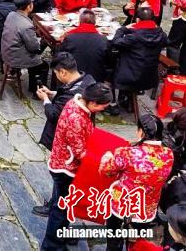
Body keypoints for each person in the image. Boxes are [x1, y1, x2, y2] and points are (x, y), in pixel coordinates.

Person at [41, 82, 112, 250]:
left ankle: (60, 237)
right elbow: (80, 153)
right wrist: (103, 160)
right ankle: (52, 246)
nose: (102, 110)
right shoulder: (77, 119)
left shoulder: (76, 102)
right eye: (102, 106)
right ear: (93, 102)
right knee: (61, 209)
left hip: (62, 160)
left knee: (63, 206)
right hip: (65, 168)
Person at [32, 52, 96, 218]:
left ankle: (55, 205)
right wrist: (53, 93)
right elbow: (67, 97)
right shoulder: (87, 80)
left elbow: (54, 114)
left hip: (67, 142)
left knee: (61, 173)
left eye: (56, 73)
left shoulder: (71, 94)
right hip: (81, 134)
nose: (56, 76)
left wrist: (45, 99)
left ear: (63, 72)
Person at [99, 114, 174, 251]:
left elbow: (105, 171)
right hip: (146, 210)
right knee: (136, 244)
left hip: (122, 207)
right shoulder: (168, 154)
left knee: (114, 242)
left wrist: (108, 157)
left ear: (141, 132)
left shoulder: (127, 153)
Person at [112, 7, 168, 114]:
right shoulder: (162, 35)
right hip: (149, 75)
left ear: (138, 19)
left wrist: (122, 29)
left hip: (130, 75)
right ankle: (127, 98)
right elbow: (165, 43)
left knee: (115, 59)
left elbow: (116, 42)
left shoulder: (133, 37)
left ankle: (118, 99)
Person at [0, 0, 48, 95]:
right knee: (43, 65)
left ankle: (32, 86)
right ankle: (37, 92)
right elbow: (33, 47)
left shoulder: (11, 15)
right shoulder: (26, 25)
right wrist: (42, 41)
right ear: (29, 6)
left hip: (7, 52)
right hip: (16, 57)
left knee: (37, 55)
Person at [58, 10, 108, 83]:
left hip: (73, 77)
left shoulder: (70, 37)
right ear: (94, 22)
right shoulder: (103, 39)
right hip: (96, 78)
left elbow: (59, 55)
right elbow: (109, 61)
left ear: (80, 21)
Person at [169, 0, 186, 73]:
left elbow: (181, 1)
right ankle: (183, 71)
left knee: (173, 44)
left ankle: (172, 69)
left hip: (182, 18)